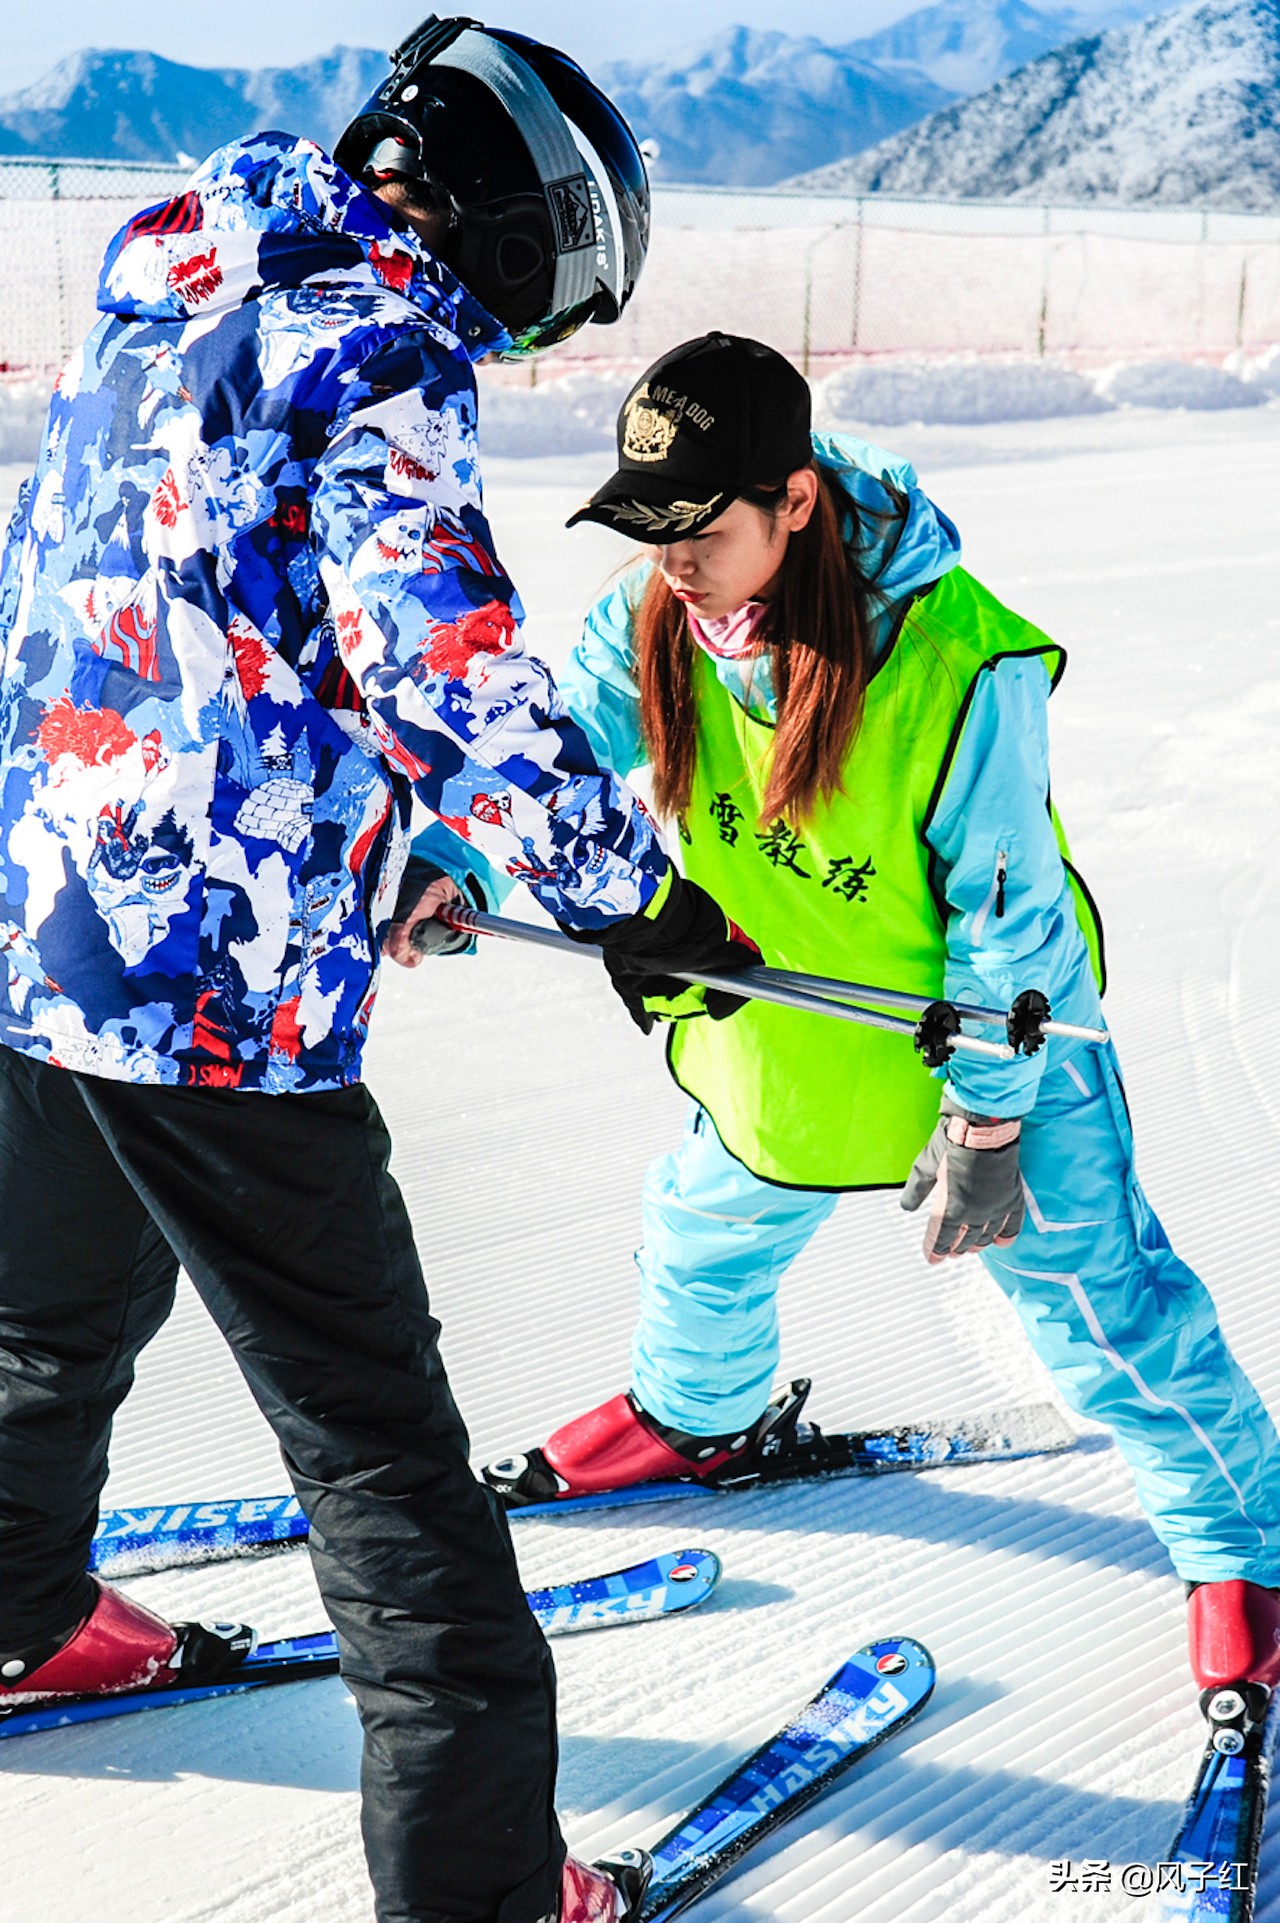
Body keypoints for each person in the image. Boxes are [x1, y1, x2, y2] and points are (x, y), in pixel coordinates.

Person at [0, 23, 759, 1923]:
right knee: (389, 1470)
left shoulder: (173, 280)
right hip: (216, 999)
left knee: (44, 1328)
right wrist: (631, 901)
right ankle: (487, 1891)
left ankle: (9, 1613)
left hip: (43, 929)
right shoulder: (387, 340)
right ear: (517, 219)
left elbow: (201, 610)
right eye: (570, 275)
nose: (550, 323)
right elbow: (446, 672)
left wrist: (376, 856)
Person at [443, 330, 1280, 1696]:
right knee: (707, 1228)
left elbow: (1006, 917)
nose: (670, 558)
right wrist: (458, 864)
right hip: (786, 1019)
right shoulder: (659, 615)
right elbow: (557, 761)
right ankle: (698, 1417)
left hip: (988, 1038)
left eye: (699, 526)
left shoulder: (957, 661)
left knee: (1099, 1306)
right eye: (647, 525)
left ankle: (1245, 1544)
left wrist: (993, 1126)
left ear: (797, 501)